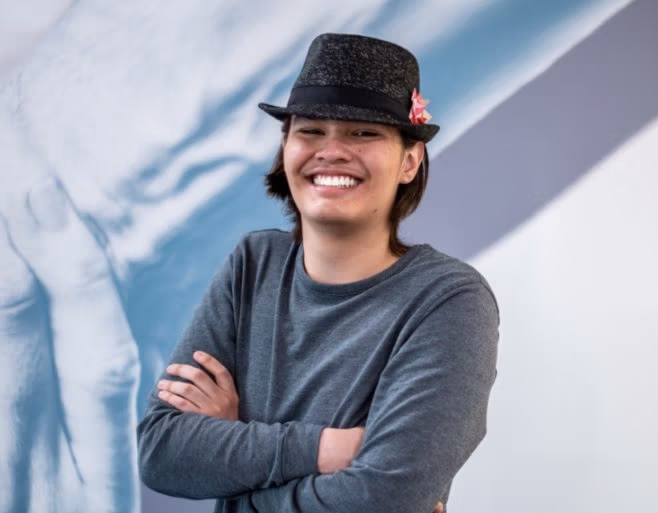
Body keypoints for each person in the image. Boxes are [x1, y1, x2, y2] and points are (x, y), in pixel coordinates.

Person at [136, 33, 500, 513]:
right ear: (286, 149)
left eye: (363, 133)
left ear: (409, 162)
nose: (332, 151)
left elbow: (382, 498)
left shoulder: (449, 301)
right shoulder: (252, 264)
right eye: (310, 131)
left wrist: (235, 454)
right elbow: (162, 452)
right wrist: (327, 448)